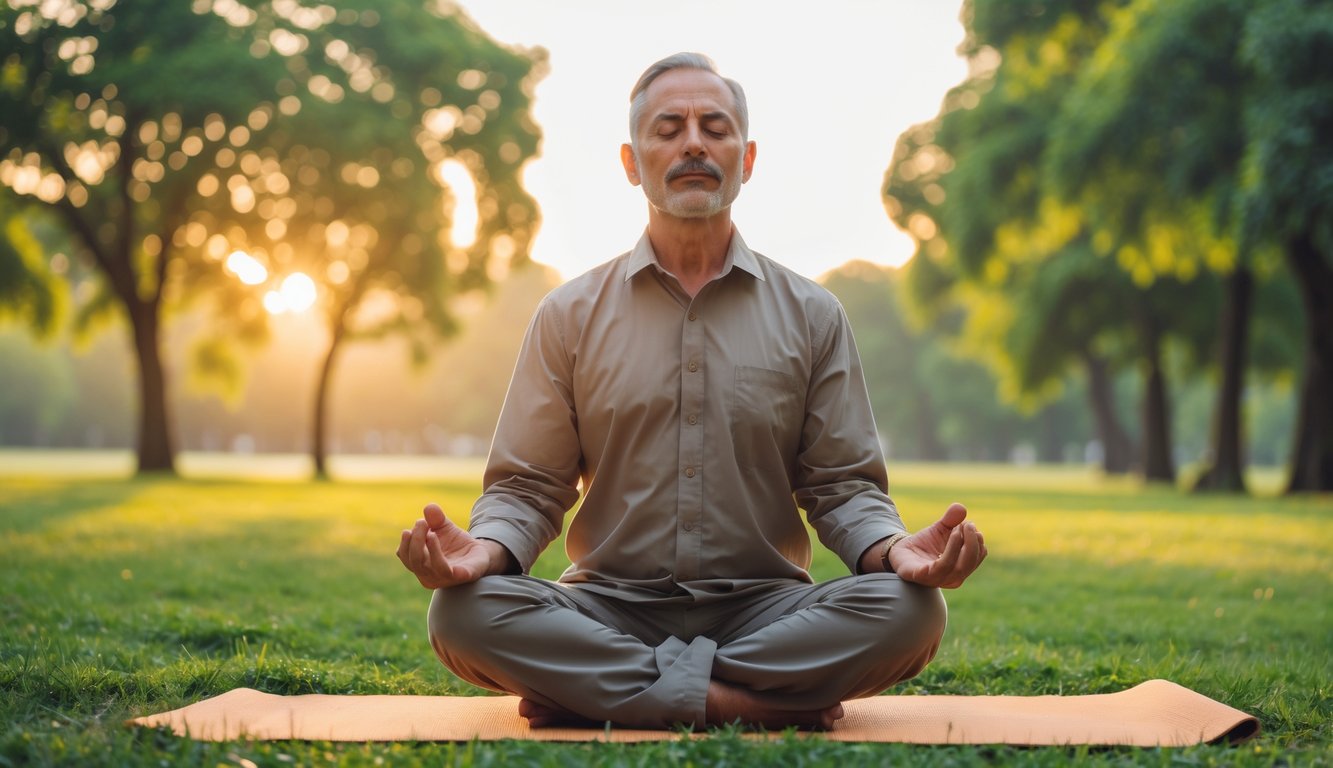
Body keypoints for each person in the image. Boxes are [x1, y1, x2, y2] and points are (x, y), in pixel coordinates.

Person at [397, 52, 986, 731]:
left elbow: (842, 486)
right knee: (463, 613)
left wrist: (891, 550)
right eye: (667, 127)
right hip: (606, 608)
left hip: (765, 611)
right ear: (630, 160)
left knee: (910, 611)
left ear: (747, 156)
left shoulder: (812, 314)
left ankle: (598, 692)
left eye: (714, 126)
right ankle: (740, 705)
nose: (693, 144)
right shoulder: (567, 315)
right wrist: (488, 551)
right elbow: (529, 487)